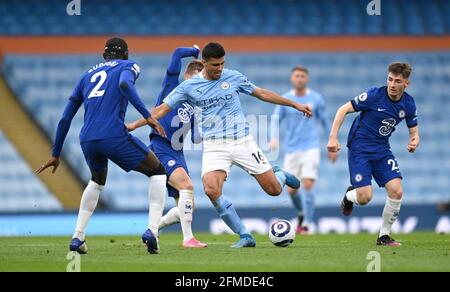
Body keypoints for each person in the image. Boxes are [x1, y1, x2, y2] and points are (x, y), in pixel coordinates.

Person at [139, 42, 312, 248]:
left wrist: (294, 104)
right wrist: (135, 124)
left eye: (222, 63)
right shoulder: (188, 87)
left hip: (242, 142)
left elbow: (262, 93)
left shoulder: (233, 76)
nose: (220, 68)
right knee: (211, 189)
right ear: (204, 63)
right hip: (215, 146)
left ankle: (280, 175)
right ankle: (244, 235)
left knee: (274, 190)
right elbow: (162, 109)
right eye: (215, 65)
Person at [36, 37, 167, 254]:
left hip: (87, 139)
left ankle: (78, 237)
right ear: (125, 54)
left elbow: (64, 118)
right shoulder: (129, 65)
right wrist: (147, 116)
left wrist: (56, 153)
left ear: (104, 55)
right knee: (158, 172)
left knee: (96, 181)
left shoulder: (85, 76)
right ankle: (152, 232)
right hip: (113, 135)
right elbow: (124, 83)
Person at [327, 62, 419, 246]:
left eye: (397, 81)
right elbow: (343, 109)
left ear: (406, 83)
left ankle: (383, 236)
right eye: (390, 79)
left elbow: (414, 131)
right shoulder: (373, 95)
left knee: (397, 190)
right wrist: (332, 138)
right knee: (364, 198)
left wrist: (414, 141)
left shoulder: (408, 103)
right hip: (359, 147)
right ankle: (349, 196)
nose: (392, 84)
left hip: (382, 149)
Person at [127, 46, 207, 248]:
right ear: (188, 75)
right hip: (161, 146)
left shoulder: (196, 105)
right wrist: (195, 51)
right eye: (199, 76)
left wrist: (201, 117)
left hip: (178, 153)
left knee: (187, 205)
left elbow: (197, 139)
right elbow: (177, 53)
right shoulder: (172, 87)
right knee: (187, 187)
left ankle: (153, 230)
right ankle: (188, 239)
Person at [270, 66, 336, 234]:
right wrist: (274, 138)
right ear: (292, 79)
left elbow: (325, 121)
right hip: (292, 149)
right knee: (292, 189)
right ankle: (300, 213)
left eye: (302, 76)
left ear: (306, 79)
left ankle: (306, 224)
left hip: (310, 147)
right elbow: (275, 119)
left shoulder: (316, 99)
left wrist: (332, 143)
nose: (299, 79)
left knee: (307, 183)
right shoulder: (285, 99)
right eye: (296, 76)